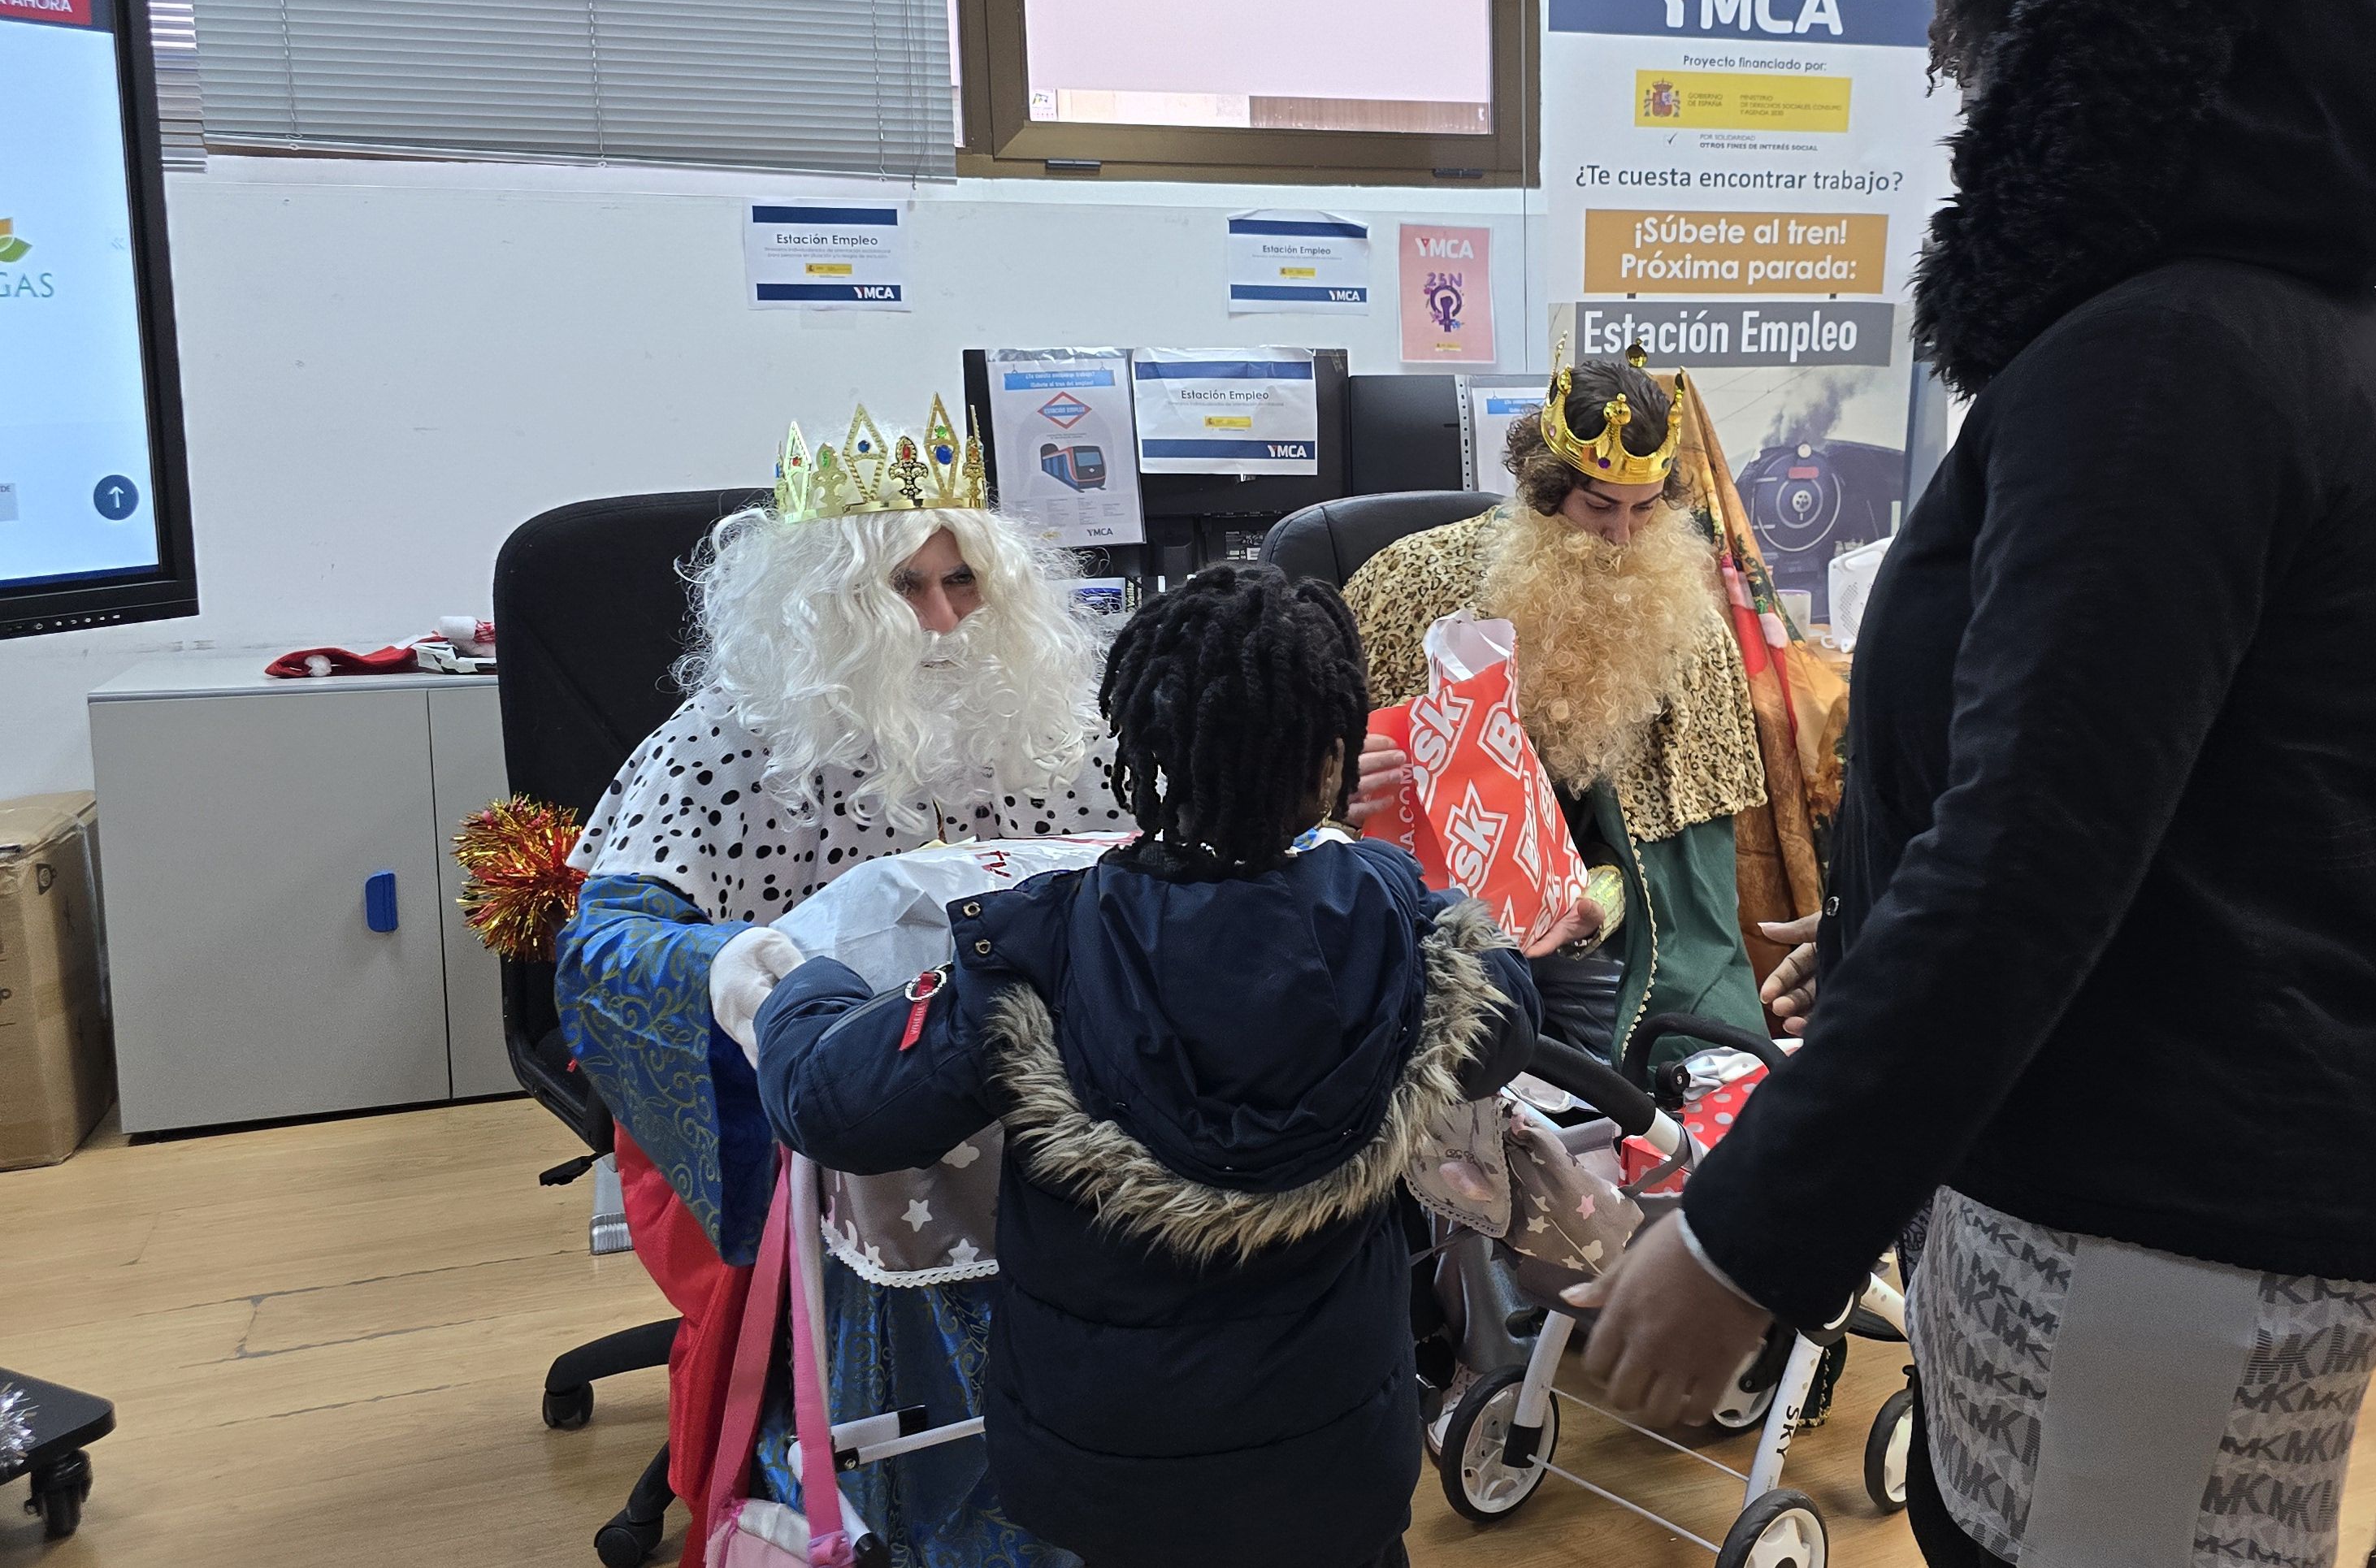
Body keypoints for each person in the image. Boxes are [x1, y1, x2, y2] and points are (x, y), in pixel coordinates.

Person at [1572, 0, 2376, 1568]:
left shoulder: (2161, 362)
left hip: (2159, 1191)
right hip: (2178, 1158)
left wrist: (1745, 1233)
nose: (1973, 135)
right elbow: (2175, 791)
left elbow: (2033, 845)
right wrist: (1883, 925)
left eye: (1990, 92)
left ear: (2098, 73)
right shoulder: (2286, 335)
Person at [748, 563, 1544, 1568]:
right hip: (1336, 1469)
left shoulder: (1043, 945)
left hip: (1107, 1477)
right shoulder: (1394, 914)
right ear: (1332, 758)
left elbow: (830, 1105)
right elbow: (1505, 1018)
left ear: (1141, 749)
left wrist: (799, 985)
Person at [557, 400, 1132, 1567]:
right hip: (808, 1098)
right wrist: (725, 966)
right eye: (900, 590)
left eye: (964, 584)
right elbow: (605, 947)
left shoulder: (1065, 725)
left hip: (1031, 1082)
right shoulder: (724, 743)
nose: (939, 621)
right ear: (819, 603)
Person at [1342, 350, 1772, 1060]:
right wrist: (1333, 788)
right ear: (1544, 487)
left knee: (1671, 1074)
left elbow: (1676, 866)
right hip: (1405, 918)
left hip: (1578, 943)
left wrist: (1596, 903)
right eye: (1599, 506)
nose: (1621, 536)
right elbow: (1295, 783)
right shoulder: (1407, 581)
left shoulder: (1684, 625)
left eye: (1645, 508)